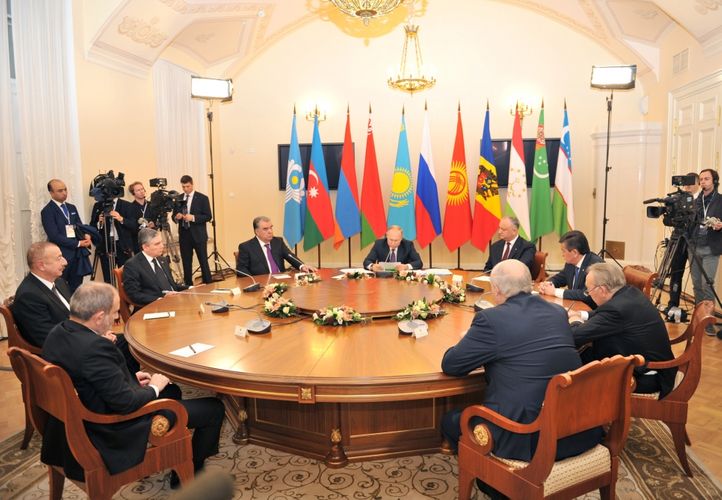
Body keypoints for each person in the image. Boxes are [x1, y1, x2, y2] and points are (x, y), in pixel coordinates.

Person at [41, 282, 224, 487]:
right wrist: (154, 386)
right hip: (108, 428)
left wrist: (129, 378)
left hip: (74, 418)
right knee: (214, 408)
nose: (116, 318)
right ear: (99, 317)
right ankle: (191, 470)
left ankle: (173, 451)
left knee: (172, 390)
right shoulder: (94, 348)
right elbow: (126, 403)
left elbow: (89, 377)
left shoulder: (58, 332)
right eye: (115, 312)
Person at [440, 260, 602, 466]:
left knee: (450, 420)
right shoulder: (557, 312)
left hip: (528, 437)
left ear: (496, 289)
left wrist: (468, 340)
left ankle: (492, 478)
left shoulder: (491, 319)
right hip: (578, 427)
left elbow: (452, 365)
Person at [569, 262, 676, 397]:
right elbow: (602, 314)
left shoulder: (616, 310)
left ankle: (580, 405)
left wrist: (574, 320)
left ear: (602, 290)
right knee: (581, 354)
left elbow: (574, 337)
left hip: (646, 376)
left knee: (571, 360)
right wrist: (581, 314)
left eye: (588, 290)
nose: (588, 295)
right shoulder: (629, 293)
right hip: (641, 363)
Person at [12, 242, 71, 347]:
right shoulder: (28, 296)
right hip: (61, 350)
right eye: (59, 258)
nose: (65, 262)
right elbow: (47, 338)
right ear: (41, 265)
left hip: (74, 338)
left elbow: (73, 315)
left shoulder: (60, 282)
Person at [40, 179, 93, 293]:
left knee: (77, 288)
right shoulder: (47, 211)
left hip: (77, 255)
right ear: (51, 193)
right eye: (60, 191)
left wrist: (86, 235)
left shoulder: (71, 207)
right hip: (61, 255)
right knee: (62, 288)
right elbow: (54, 236)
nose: (64, 193)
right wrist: (78, 243)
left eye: (65, 189)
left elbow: (79, 226)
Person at [688, 168, 722, 337]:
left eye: (706, 179)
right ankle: (699, 318)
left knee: (707, 284)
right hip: (694, 247)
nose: (702, 182)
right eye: (701, 179)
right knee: (696, 285)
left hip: (710, 248)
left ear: (714, 181)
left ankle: (708, 322)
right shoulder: (695, 201)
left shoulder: (720, 200)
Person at [123, 228, 187, 307]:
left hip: (175, 302)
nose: (162, 246)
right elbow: (134, 294)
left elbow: (172, 286)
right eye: (157, 244)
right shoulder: (132, 265)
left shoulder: (162, 260)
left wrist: (191, 288)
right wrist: (160, 299)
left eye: (161, 242)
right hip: (153, 307)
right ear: (145, 247)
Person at [538, 230, 602, 308]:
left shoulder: (596, 266)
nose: (562, 255)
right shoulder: (570, 263)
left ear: (575, 253)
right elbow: (560, 278)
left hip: (590, 310)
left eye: (563, 251)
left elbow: (586, 294)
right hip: (574, 307)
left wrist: (555, 292)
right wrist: (547, 284)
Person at [236, 216, 317, 276]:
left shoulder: (278, 242)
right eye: (265, 229)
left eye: (271, 228)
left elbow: (289, 256)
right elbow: (241, 269)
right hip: (262, 284)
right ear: (257, 232)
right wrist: (254, 282)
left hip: (281, 282)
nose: (270, 231)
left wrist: (302, 266)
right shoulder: (246, 247)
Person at [667, 172, 700, 315]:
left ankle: (700, 311)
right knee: (676, 274)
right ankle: (673, 304)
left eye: (691, 182)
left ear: (698, 184)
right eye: (685, 183)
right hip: (679, 240)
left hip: (695, 242)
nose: (688, 186)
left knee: (698, 278)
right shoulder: (678, 199)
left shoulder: (702, 200)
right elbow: (669, 220)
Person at [173, 175, 212, 285]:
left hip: (198, 235)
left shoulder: (202, 198)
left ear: (192, 184)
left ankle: (208, 282)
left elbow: (208, 216)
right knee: (186, 261)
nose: (185, 189)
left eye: (187, 186)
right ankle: (188, 284)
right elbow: (173, 216)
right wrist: (176, 217)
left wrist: (193, 217)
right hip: (184, 235)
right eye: (183, 187)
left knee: (203, 260)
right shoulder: (178, 198)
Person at [90, 196, 138, 283]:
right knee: (108, 278)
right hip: (105, 246)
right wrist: (99, 223)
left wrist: (121, 219)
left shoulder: (126, 205)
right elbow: (92, 226)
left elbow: (134, 226)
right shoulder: (98, 205)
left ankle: (124, 292)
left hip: (123, 246)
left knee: (126, 278)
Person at [128, 181, 159, 253]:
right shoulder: (130, 207)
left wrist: (154, 224)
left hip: (153, 238)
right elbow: (131, 226)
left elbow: (156, 219)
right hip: (139, 241)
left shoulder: (151, 205)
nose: (141, 191)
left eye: (142, 189)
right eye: (138, 190)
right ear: (133, 193)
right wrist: (143, 227)